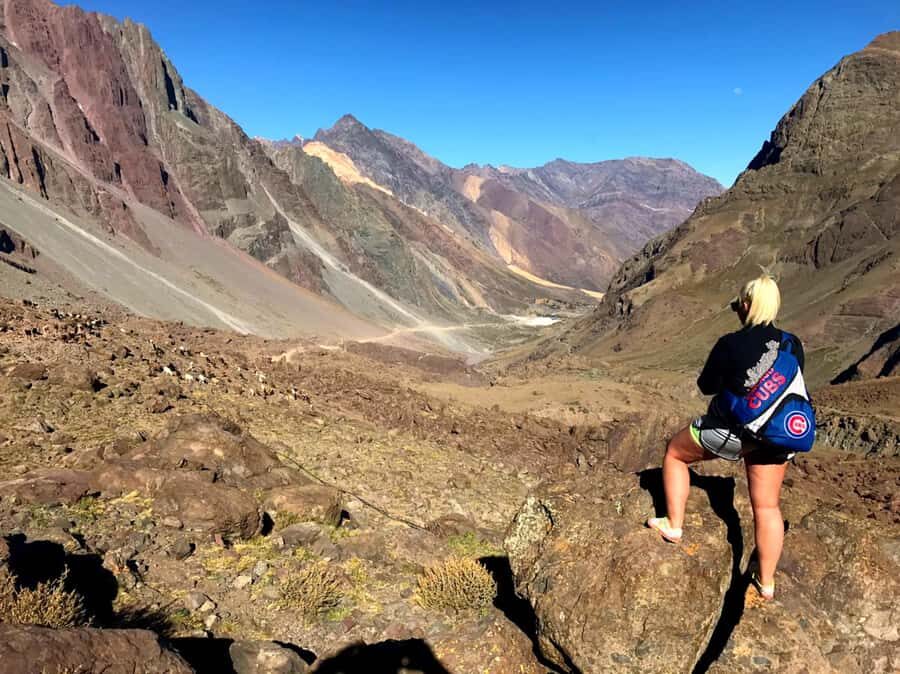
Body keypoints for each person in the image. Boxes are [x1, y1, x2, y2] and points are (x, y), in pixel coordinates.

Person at [646, 273, 805, 601]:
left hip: (734, 432)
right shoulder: (792, 343)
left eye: (737, 305)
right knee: (767, 506)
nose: (737, 310)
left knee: (675, 453)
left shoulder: (730, 344)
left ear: (746, 305)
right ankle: (766, 582)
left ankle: (673, 525)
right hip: (776, 434)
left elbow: (707, 386)